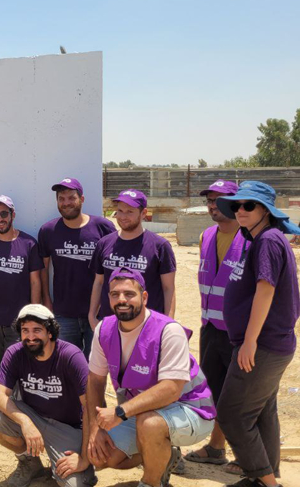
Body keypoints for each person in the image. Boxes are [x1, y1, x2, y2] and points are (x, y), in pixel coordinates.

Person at [86, 268, 216, 487]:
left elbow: (171, 389)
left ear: (144, 297)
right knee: (102, 455)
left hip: (191, 409)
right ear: (108, 298)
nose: (122, 300)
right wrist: (95, 430)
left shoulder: (168, 330)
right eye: (115, 294)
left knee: (150, 424)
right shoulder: (104, 329)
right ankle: (163, 455)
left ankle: (150, 482)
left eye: (129, 294)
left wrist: (120, 412)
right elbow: (95, 381)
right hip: (143, 410)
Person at [214, 181, 300, 487]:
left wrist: (249, 341)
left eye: (248, 205)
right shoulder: (262, 240)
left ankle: (267, 482)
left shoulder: (268, 241)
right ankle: (264, 476)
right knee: (262, 411)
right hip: (268, 344)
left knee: (232, 414)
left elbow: (266, 290)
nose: (240, 211)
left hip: (263, 345)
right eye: (237, 205)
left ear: (265, 210)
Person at [0, 304, 97, 487]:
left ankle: (84, 468)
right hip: (34, 418)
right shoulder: (15, 353)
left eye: (37, 330)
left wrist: (84, 457)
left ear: (50, 332)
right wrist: (26, 422)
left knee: (72, 484)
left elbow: (90, 407)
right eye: (25, 330)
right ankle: (31, 465)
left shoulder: (71, 356)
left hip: (67, 429)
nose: (30, 337)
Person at [184, 180, 242, 469]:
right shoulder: (207, 236)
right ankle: (217, 447)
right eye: (209, 200)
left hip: (240, 333)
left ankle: (250, 457)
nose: (212, 205)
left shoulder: (252, 239)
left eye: (219, 199)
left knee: (242, 395)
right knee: (215, 391)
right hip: (210, 327)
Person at [38, 179, 115, 358]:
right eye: (61, 199)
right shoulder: (48, 231)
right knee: (66, 364)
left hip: (98, 312)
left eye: (71, 198)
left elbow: (113, 268)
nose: (66, 203)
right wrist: (47, 300)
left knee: (96, 366)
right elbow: (43, 268)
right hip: (63, 313)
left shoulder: (103, 227)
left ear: (82, 198)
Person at [0, 195, 45, 382]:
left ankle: (16, 408)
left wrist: (34, 316)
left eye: (4, 214)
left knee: (19, 366)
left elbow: (35, 282)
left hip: (19, 321)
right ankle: (2, 408)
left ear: (13, 214)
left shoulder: (29, 244)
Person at [88, 189, 176, 330]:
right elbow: (99, 282)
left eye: (130, 212)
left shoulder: (160, 246)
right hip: (110, 326)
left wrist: (168, 324)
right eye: (120, 211)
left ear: (143, 213)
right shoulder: (104, 243)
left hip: (147, 326)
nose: (123, 216)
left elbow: (168, 288)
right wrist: (92, 316)